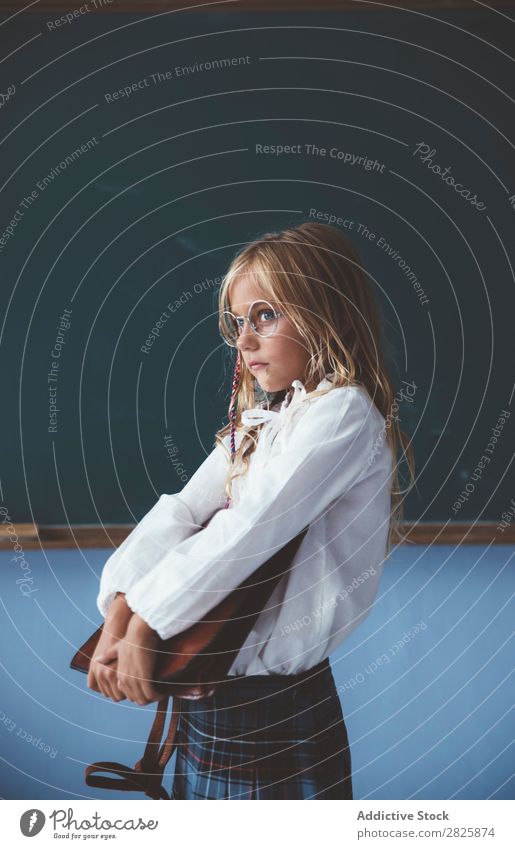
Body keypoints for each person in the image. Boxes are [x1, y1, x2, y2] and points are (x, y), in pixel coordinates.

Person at [87, 221, 415, 800]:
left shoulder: (341, 414)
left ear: (326, 313)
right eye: (238, 322)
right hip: (212, 696)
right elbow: (184, 511)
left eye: (265, 315)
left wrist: (149, 622)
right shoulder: (269, 416)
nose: (243, 340)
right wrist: (120, 609)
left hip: (273, 712)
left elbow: (248, 531)